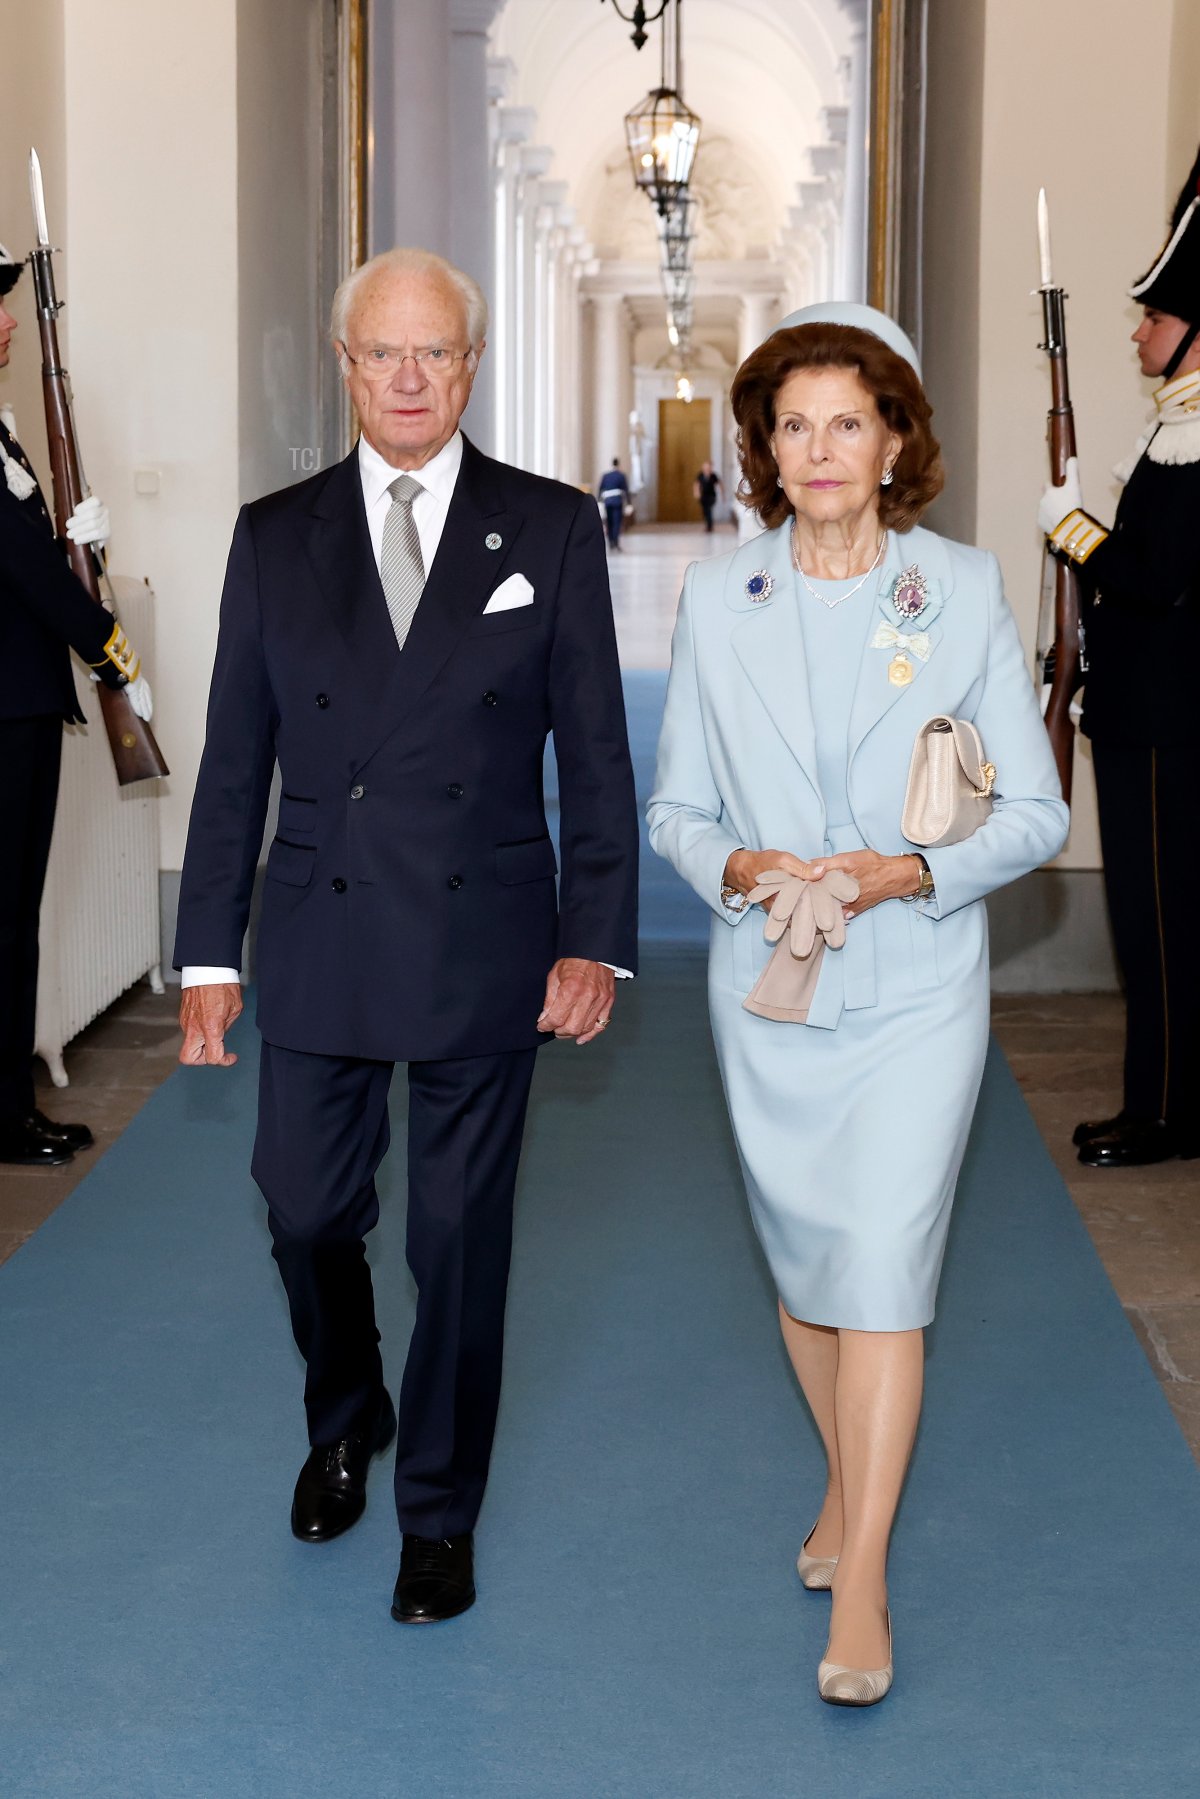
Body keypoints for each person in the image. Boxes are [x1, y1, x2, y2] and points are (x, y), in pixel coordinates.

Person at [174, 248, 638, 1626]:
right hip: (319, 928)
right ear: (346, 366)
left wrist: (594, 935)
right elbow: (230, 760)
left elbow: (597, 753)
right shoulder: (275, 534)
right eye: (384, 353)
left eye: (435, 351)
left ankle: (437, 1509)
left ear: (471, 366)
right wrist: (209, 954)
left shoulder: (547, 530)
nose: (410, 377)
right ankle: (347, 1402)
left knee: (457, 1239)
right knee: (306, 1206)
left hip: (481, 931)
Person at [649, 302, 1068, 1705]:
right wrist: (746, 863)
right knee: (808, 1264)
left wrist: (910, 870)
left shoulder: (959, 587)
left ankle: (869, 1570)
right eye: (794, 425)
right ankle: (844, 1483)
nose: (820, 449)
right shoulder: (721, 597)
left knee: (884, 1263)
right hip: (768, 984)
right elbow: (678, 811)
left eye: (849, 421)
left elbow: (1036, 812)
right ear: (766, 449)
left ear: (895, 440)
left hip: (914, 988)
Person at [1039, 147, 1200, 1169]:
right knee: (1159, 921)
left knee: (1159, 925)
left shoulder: (1196, 433)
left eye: (1155, 317)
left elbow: (1159, 575)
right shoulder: (1177, 426)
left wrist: (1076, 532)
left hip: (1166, 720)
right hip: (1152, 710)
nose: (1140, 330)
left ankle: (1167, 1109)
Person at [0, 242, 152, 1169]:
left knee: (16, 919)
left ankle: (8, 1103)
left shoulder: (4, 432)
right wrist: (106, 640)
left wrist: (72, 534)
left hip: (19, 704)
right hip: (5, 710)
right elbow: (17, 568)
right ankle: (6, 1112)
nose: (10, 320)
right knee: (5, 921)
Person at [598, 456, 629, 550]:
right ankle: (615, 542)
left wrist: (598, 500)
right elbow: (626, 490)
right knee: (616, 522)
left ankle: (610, 541)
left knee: (609, 522)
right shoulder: (621, 475)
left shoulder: (605, 476)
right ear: (618, 464)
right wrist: (629, 502)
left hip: (608, 501)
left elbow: (600, 489)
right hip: (617, 501)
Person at [693, 459, 722, 531]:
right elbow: (696, 484)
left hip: (711, 496)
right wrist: (696, 492)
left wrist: (722, 494)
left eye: (708, 467)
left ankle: (710, 526)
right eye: (705, 467)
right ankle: (708, 525)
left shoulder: (713, 476)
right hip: (703, 496)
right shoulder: (700, 475)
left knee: (709, 510)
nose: (707, 468)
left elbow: (720, 484)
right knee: (705, 511)